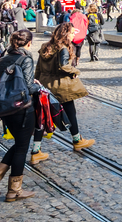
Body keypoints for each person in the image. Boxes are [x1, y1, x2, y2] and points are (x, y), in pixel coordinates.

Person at [0, 30, 41, 201]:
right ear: (29, 43)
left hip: (5, 108)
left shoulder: (2, 59)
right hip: (23, 108)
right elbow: (29, 88)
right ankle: (14, 190)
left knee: (19, 144)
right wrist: (39, 86)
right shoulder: (26, 59)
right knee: (22, 148)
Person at [36, 23, 95, 151]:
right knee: (71, 113)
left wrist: (36, 82)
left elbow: (38, 68)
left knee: (44, 117)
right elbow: (63, 66)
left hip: (45, 84)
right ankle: (77, 140)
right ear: (65, 34)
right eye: (72, 32)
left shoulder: (45, 46)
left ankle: (36, 150)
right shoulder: (63, 48)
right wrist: (75, 71)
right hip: (61, 86)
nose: (74, 35)